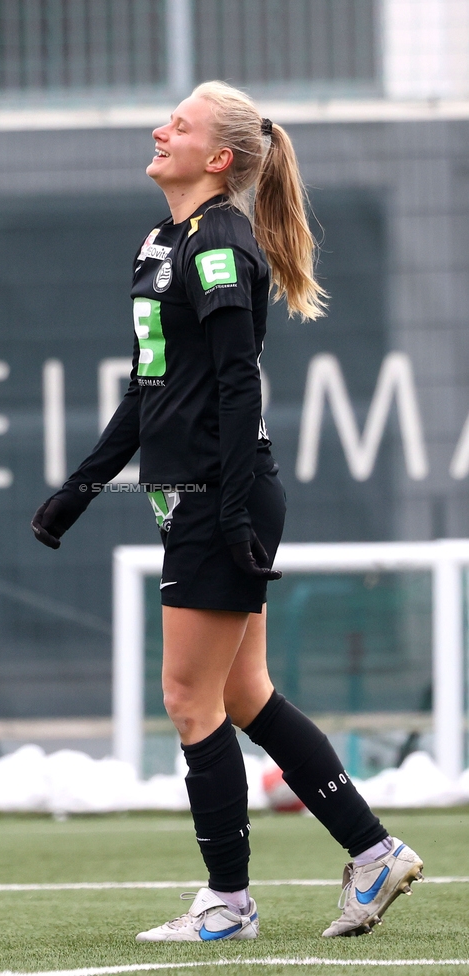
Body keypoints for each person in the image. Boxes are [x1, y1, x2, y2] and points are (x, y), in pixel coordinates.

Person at [32, 80, 423, 942]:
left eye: (179, 124)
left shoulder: (218, 241)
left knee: (186, 698)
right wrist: (78, 491)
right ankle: (373, 852)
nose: (158, 129)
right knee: (243, 693)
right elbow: (150, 386)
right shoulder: (163, 240)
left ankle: (229, 903)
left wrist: (235, 511)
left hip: (218, 499)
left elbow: (238, 380)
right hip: (202, 498)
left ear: (219, 159)